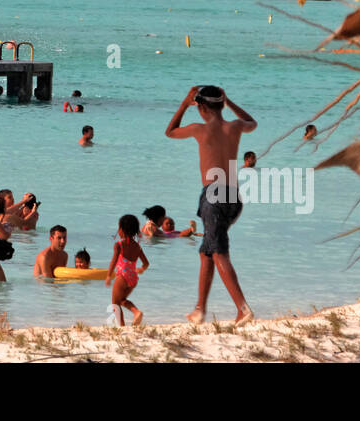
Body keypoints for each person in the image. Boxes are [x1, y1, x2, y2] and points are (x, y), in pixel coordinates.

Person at [165, 84, 257, 325]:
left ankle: (242, 308)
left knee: (217, 251)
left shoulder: (199, 129)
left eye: (197, 107)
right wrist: (231, 103)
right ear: (222, 104)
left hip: (213, 196)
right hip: (234, 198)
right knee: (207, 251)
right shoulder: (235, 126)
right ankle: (199, 309)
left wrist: (185, 104)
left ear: (202, 107)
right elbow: (252, 122)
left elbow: (171, 131)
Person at [106, 214, 149, 326]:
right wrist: (141, 269)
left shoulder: (119, 245)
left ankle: (121, 326)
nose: (118, 231)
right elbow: (146, 263)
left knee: (115, 303)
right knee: (122, 300)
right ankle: (136, 312)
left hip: (122, 277)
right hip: (133, 278)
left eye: (119, 228)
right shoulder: (138, 247)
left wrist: (108, 276)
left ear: (122, 230)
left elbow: (114, 261)